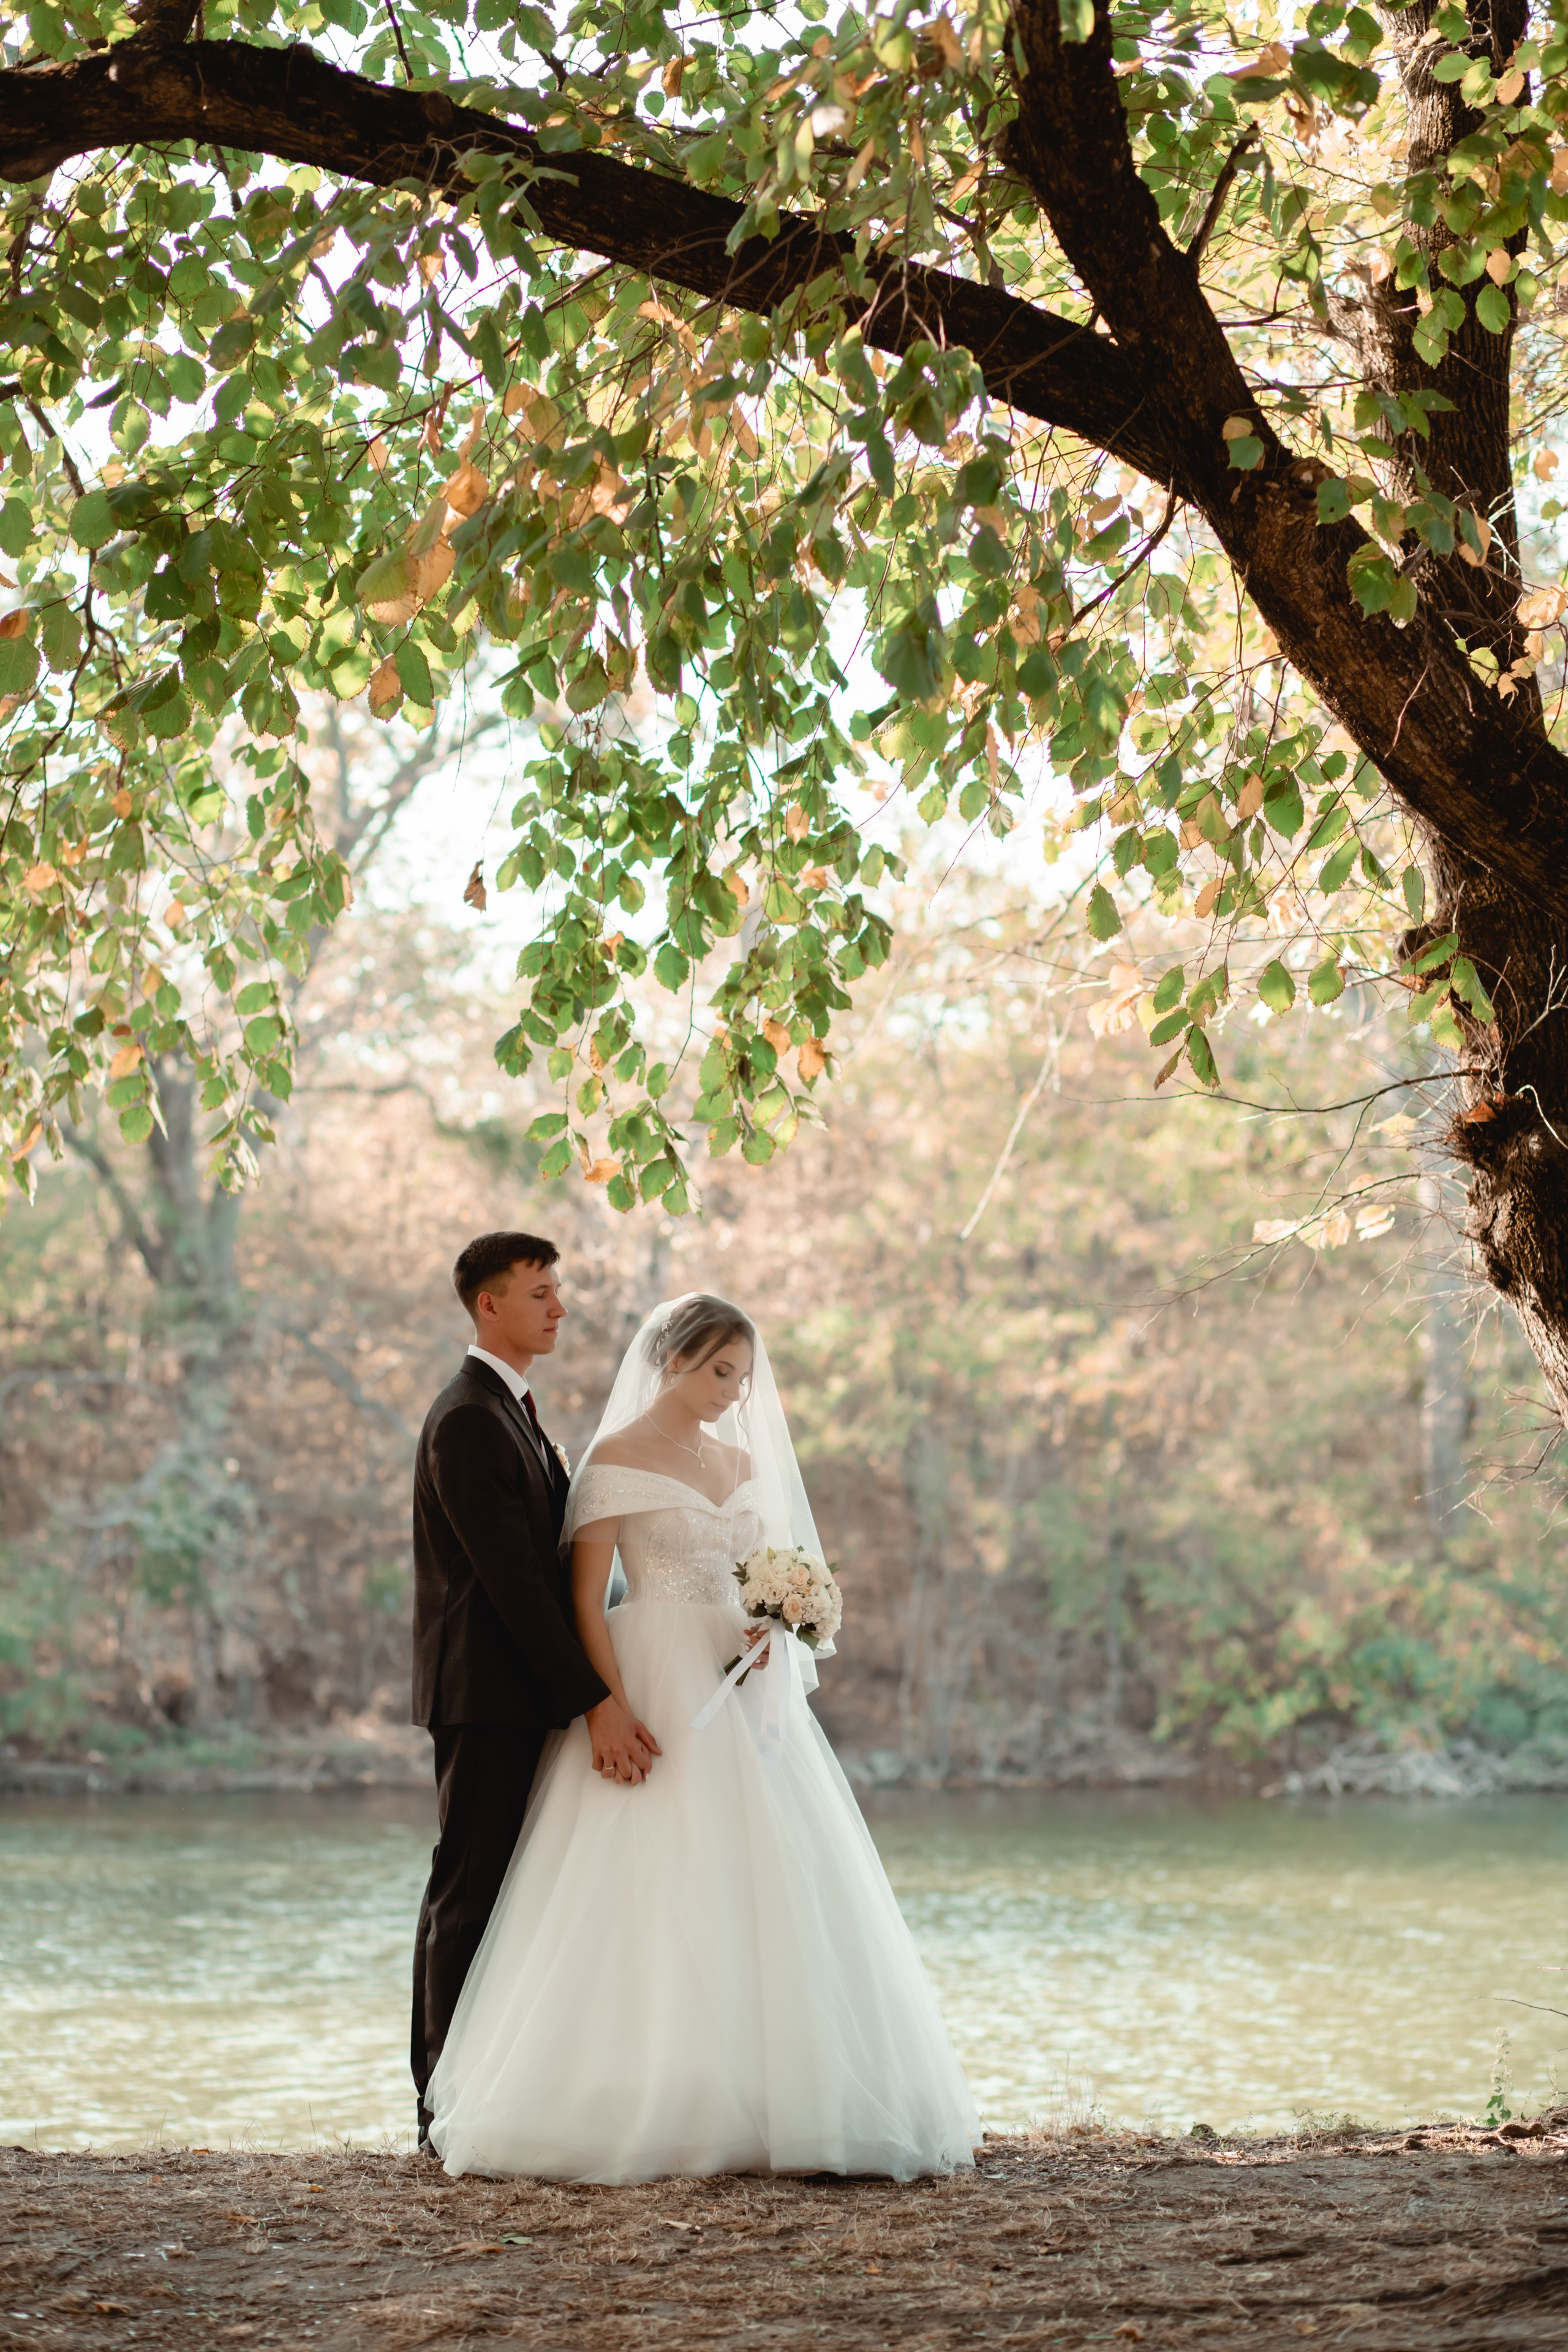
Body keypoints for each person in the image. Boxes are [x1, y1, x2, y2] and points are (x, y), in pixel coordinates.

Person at [424, 1291, 979, 2183]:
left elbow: (762, 1570)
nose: (733, 1391)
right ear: (673, 1358)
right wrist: (606, 1703)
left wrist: (778, 1623)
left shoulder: (740, 1459)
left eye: (744, 1376)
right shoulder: (613, 1458)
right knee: (648, 1878)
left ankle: (782, 2097)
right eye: (720, 1370)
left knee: (766, 1879)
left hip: (739, 1681)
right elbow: (583, 1599)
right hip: (651, 1673)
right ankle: (642, 2097)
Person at [409, 1232, 660, 2154]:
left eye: (559, 1291)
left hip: (522, 1691)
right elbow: (512, 1583)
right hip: (486, 1694)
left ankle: (484, 2092)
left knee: (502, 1892)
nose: (559, 1307)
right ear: (490, 1305)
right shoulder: (469, 1417)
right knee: (468, 1892)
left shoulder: (513, 1409)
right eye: (542, 1292)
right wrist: (596, 1697)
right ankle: (441, 2111)